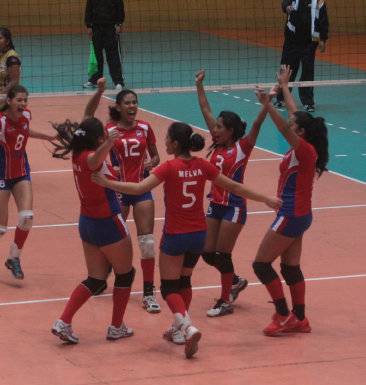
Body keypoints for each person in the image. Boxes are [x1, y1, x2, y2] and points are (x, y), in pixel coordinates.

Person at [93, 121, 281, 358]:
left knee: (169, 288)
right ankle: (178, 330)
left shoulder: (169, 167)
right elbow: (234, 186)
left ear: (174, 143)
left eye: (167, 139)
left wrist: (108, 183)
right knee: (185, 282)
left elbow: (139, 188)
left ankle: (187, 326)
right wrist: (265, 198)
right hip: (198, 234)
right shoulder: (203, 165)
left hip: (176, 235)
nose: (164, 143)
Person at [51, 78, 135, 344]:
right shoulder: (91, 156)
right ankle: (116, 326)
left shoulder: (77, 152)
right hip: (108, 221)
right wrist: (110, 142)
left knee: (97, 279)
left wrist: (99, 92)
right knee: (126, 274)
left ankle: (63, 321)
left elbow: (87, 117)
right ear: (98, 138)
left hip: (87, 223)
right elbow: (95, 160)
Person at [253, 65, 329, 336]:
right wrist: (285, 85)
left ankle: (283, 315)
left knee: (261, 265)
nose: (291, 125)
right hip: (299, 214)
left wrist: (267, 103)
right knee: (289, 266)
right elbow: (294, 116)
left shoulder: (305, 149)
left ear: (302, 133)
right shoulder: (305, 147)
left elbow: (285, 125)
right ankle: (300, 318)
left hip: (291, 214)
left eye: (295, 127)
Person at [195, 69, 269, 317]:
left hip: (234, 206)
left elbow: (257, 125)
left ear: (230, 130)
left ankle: (225, 301)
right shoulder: (216, 143)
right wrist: (199, 86)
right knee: (207, 253)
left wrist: (266, 104)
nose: (214, 129)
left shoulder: (242, 148)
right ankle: (235, 281)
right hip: (215, 204)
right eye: (214, 126)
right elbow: (206, 111)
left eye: (219, 126)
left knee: (223, 255)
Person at [0, 85, 57, 280]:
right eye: (19, 100)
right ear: (9, 101)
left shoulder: (26, 116)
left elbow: (25, 129)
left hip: (22, 173)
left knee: (27, 218)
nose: (23, 104)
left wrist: (47, 136)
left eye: (25, 100)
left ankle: (13, 258)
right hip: (0, 176)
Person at [105, 88, 161, 313]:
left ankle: (149, 292)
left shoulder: (145, 128)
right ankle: (105, 273)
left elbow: (156, 156)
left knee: (147, 241)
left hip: (142, 187)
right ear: (118, 107)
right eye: (127, 103)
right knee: (115, 239)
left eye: (135, 102)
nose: (132, 107)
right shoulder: (109, 130)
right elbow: (99, 158)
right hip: (119, 190)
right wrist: (111, 168)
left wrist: (152, 164)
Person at [274, 0, 329, 112]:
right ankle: (280, 98)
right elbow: (285, 3)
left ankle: (308, 102)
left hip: (309, 43)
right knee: (287, 70)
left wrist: (323, 39)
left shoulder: (319, 2)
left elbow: (323, 19)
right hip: (292, 41)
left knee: (308, 72)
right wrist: (287, 7)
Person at [82, 0, 125, 90]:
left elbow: (120, 9)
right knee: (96, 56)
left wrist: (119, 24)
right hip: (96, 28)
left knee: (113, 55)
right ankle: (94, 80)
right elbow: (88, 9)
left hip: (110, 28)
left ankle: (118, 82)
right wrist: (88, 26)